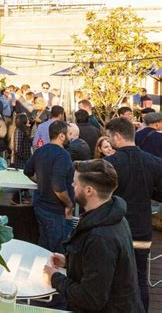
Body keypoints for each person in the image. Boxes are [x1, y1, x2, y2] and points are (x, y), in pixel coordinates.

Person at [44, 159, 144, 313]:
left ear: (89, 190)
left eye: (75, 183)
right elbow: (101, 267)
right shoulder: (113, 215)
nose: (72, 185)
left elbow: (90, 299)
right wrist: (70, 262)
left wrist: (54, 278)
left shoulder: (101, 237)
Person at [105, 117, 162, 311]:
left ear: (118, 136)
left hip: (114, 229)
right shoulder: (154, 162)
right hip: (142, 230)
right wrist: (147, 191)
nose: (109, 141)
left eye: (109, 137)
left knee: (112, 278)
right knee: (139, 279)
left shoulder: (109, 164)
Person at [24, 120, 74, 253]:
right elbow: (58, 187)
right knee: (58, 252)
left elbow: (27, 171)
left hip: (41, 205)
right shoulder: (63, 155)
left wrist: (41, 181)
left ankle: (44, 271)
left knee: (43, 248)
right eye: (69, 134)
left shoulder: (40, 151)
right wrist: (69, 204)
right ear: (61, 136)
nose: (71, 137)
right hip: (56, 210)